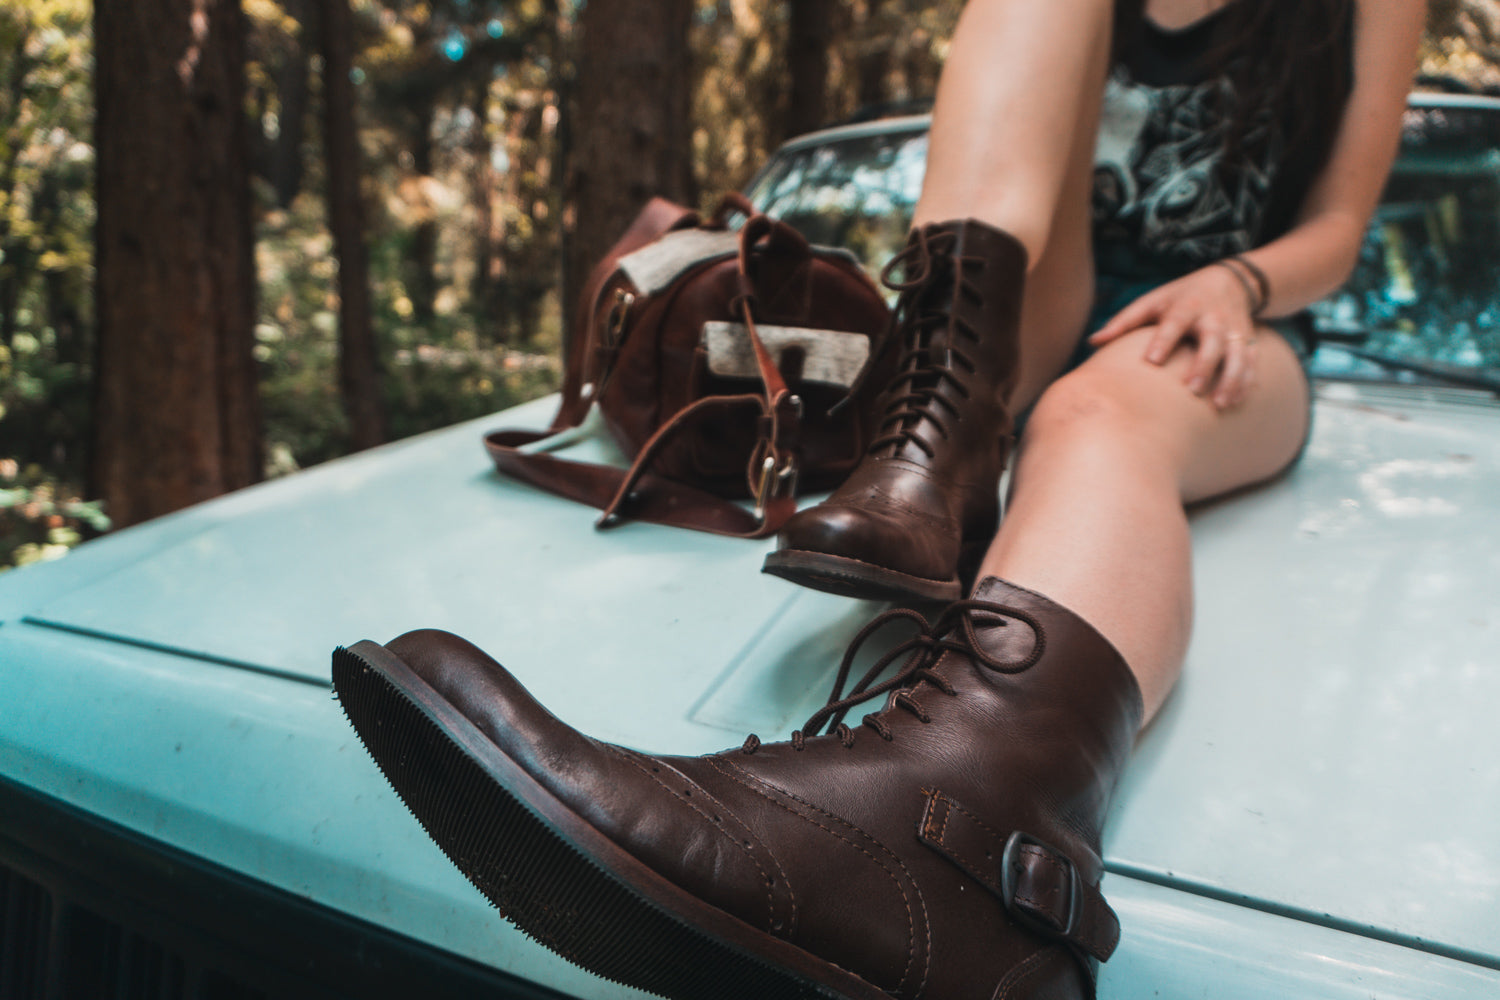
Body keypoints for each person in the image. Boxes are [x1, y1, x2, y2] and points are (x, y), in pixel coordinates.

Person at [332, 2, 1427, 998]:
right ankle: (938, 433)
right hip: (1045, 303)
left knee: (1097, 416)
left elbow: (1339, 227)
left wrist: (1240, 282)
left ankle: (965, 850)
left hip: (1234, 332)